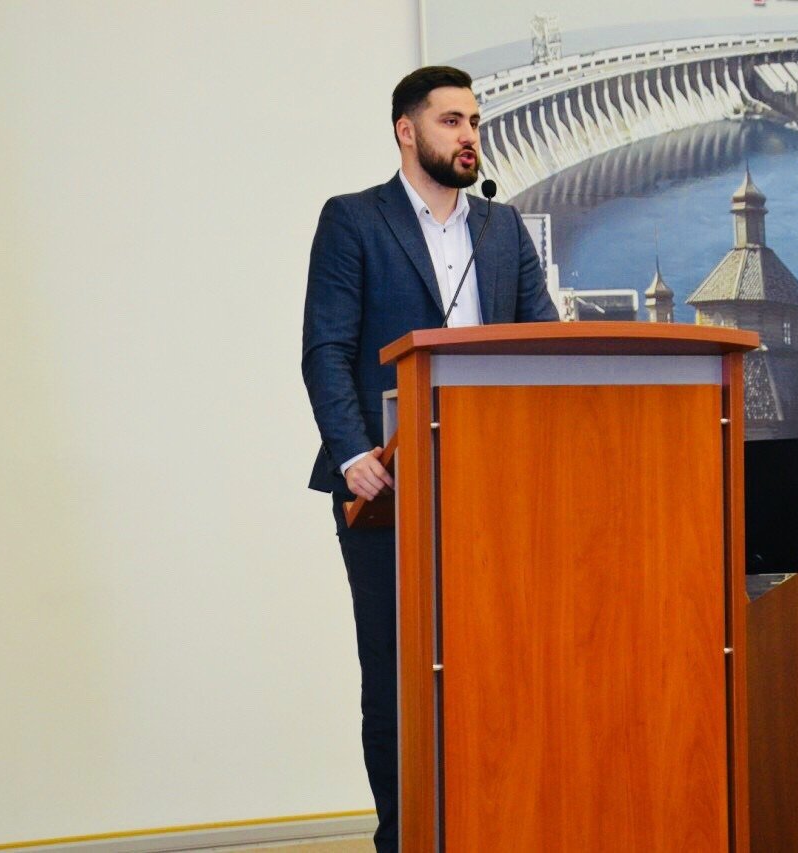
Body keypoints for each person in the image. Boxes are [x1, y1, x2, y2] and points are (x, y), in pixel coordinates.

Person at [301, 65, 557, 851]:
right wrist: (353, 454)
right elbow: (326, 348)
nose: (469, 135)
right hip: (389, 487)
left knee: (501, 669)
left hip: (493, 487)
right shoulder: (354, 220)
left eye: (474, 121)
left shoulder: (502, 228)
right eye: (451, 121)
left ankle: (496, 827)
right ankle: (404, 837)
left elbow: (546, 343)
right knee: (399, 678)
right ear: (406, 132)